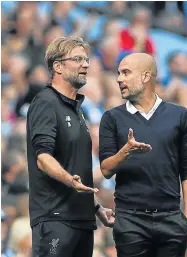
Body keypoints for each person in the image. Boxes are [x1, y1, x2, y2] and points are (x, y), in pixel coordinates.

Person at [99, 53, 187, 257]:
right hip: (130, 221)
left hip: (171, 219)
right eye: (118, 73)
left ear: (145, 76)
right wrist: (126, 151)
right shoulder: (111, 118)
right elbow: (106, 169)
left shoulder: (180, 115)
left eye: (126, 73)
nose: (119, 79)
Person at [26, 36, 115, 257]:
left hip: (83, 220)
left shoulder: (78, 110)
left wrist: (96, 208)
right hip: (55, 219)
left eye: (86, 59)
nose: (86, 64)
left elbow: (76, 171)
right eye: (77, 59)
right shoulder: (46, 102)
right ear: (57, 66)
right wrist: (69, 180)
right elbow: (42, 158)